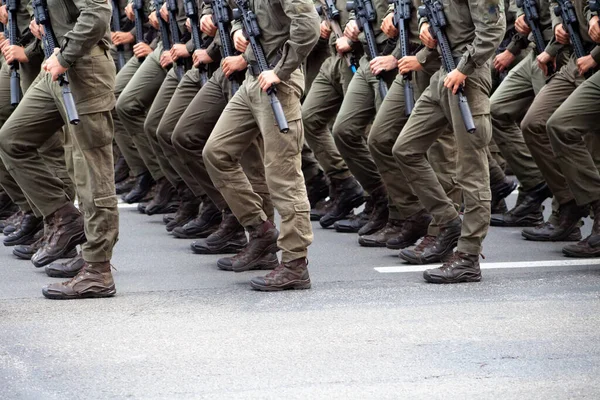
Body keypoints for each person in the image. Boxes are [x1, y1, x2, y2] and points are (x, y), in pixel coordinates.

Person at [0, 0, 119, 299]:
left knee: (91, 171)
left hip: (84, 67)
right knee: (12, 139)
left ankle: (98, 269)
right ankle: (65, 217)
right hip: (55, 64)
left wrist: (64, 56)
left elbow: (97, 14)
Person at [203, 0, 320, 291]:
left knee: (283, 175)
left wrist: (281, 70)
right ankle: (260, 230)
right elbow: (236, 12)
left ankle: (295, 263)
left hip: (279, 82)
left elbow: (308, 27)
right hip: (254, 77)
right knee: (216, 153)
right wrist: (239, 30)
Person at [393, 0, 505, 283]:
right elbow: (426, 10)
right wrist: (424, 27)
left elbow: (493, 29)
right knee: (405, 149)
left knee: (472, 171)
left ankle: (468, 255)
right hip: (443, 71)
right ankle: (448, 221)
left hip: (468, 76)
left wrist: (465, 67)